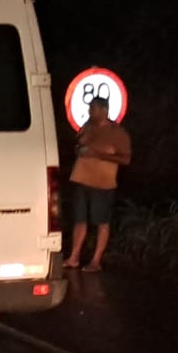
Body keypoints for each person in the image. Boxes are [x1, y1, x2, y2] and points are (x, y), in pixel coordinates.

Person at [63, 95, 132, 273]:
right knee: (79, 219)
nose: (89, 112)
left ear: (104, 110)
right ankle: (74, 257)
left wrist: (97, 155)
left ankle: (96, 261)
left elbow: (125, 159)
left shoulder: (117, 133)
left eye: (92, 109)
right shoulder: (87, 127)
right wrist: (80, 150)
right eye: (89, 108)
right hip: (80, 179)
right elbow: (77, 144)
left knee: (101, 221)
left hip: (103, 183)